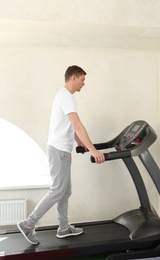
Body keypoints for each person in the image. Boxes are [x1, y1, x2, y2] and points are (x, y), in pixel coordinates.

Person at [17, 65, 106, 245]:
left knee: (65, 191)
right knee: (58, 190)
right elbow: (78, 125)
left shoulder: (64, 96)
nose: (84, 83)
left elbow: (69, 126)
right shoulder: (67, 97)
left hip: (62, 150)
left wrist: (80, 142)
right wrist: (94, 150)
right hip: (59, 151)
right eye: (82, 79)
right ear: (73, 78)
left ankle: (64, 228)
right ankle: (28, 223)